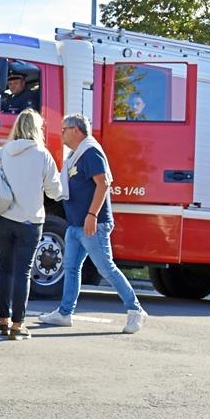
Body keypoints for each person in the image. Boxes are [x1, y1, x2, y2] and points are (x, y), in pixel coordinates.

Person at [38, 113, 147, 334]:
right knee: (70, 268)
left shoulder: (91, 152)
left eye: (64, 129)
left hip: (91, 225)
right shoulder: (77, 155)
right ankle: (64, 313)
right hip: (76, 225)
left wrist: (92, 215)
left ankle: (136, 311)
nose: (61, 133)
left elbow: (103, 183)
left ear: (76, 130)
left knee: (106, 268)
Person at [0, 109, 63, 339]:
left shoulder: (3, 152)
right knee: (23, 272)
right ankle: (18, 325)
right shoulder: (42, 154)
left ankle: (2, 321)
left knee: (5, 269)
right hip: (30, 221)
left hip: (2, 218)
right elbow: (55, 191)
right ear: (36, 129)